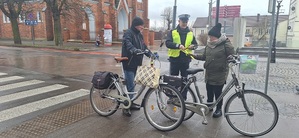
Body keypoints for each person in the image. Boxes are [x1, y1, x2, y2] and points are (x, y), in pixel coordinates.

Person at [190, 23, 235, 118]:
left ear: (217, 37)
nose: (210, 38)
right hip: (209, 73)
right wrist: (194, 56)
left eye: (211, 37)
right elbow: (204, 57)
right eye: (209, 37)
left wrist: (231, 57)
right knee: (209, 91)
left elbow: (232, 55)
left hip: (220, 73)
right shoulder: (209, 45)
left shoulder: (225, 44)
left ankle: (219, 109)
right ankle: (210, 106)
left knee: (218, 93)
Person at [121, 16, 154, 117]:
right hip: (129, 63)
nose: (142, 28)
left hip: (136, 63)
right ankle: (125, 106)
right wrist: (134, 50)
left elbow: (144, 46)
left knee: (133, 85)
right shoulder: (128, 33)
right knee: (130, 86)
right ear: (136, 25)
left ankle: (130, 103)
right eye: (141, 26)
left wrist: (150, 54)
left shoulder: (139, 35)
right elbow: (128, 44)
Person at [165, 14, 198, 100]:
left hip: (185, 60)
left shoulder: (190, 33)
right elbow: (168, 43)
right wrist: (178, 45)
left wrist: (193, 46)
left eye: (186, 22)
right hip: (175, 59)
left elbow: (195, 44)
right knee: (173, 80)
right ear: (179, 21)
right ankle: (172, 97)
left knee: (184, 80)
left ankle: (183, 98)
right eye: (183, 22)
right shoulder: (173, 32)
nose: (184, 23)